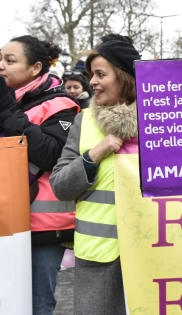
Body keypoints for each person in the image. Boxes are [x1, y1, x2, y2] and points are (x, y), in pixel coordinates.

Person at [50, 35, 140, 314]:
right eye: (92, 75)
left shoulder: (162, 119)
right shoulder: (84, 120)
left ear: (125, 77)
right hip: (99, 258)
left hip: (152, 251)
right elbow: (61, 186)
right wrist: (94, 154)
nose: (93, 82)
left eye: (101, 74)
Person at [0, 35, 79, 315]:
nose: (1, 66)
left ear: (35, 68)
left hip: (42, 228)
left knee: (36, 303)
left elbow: (52, 155)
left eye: (10, 61)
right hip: (5, 220)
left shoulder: (62, 106)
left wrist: (8, 110)